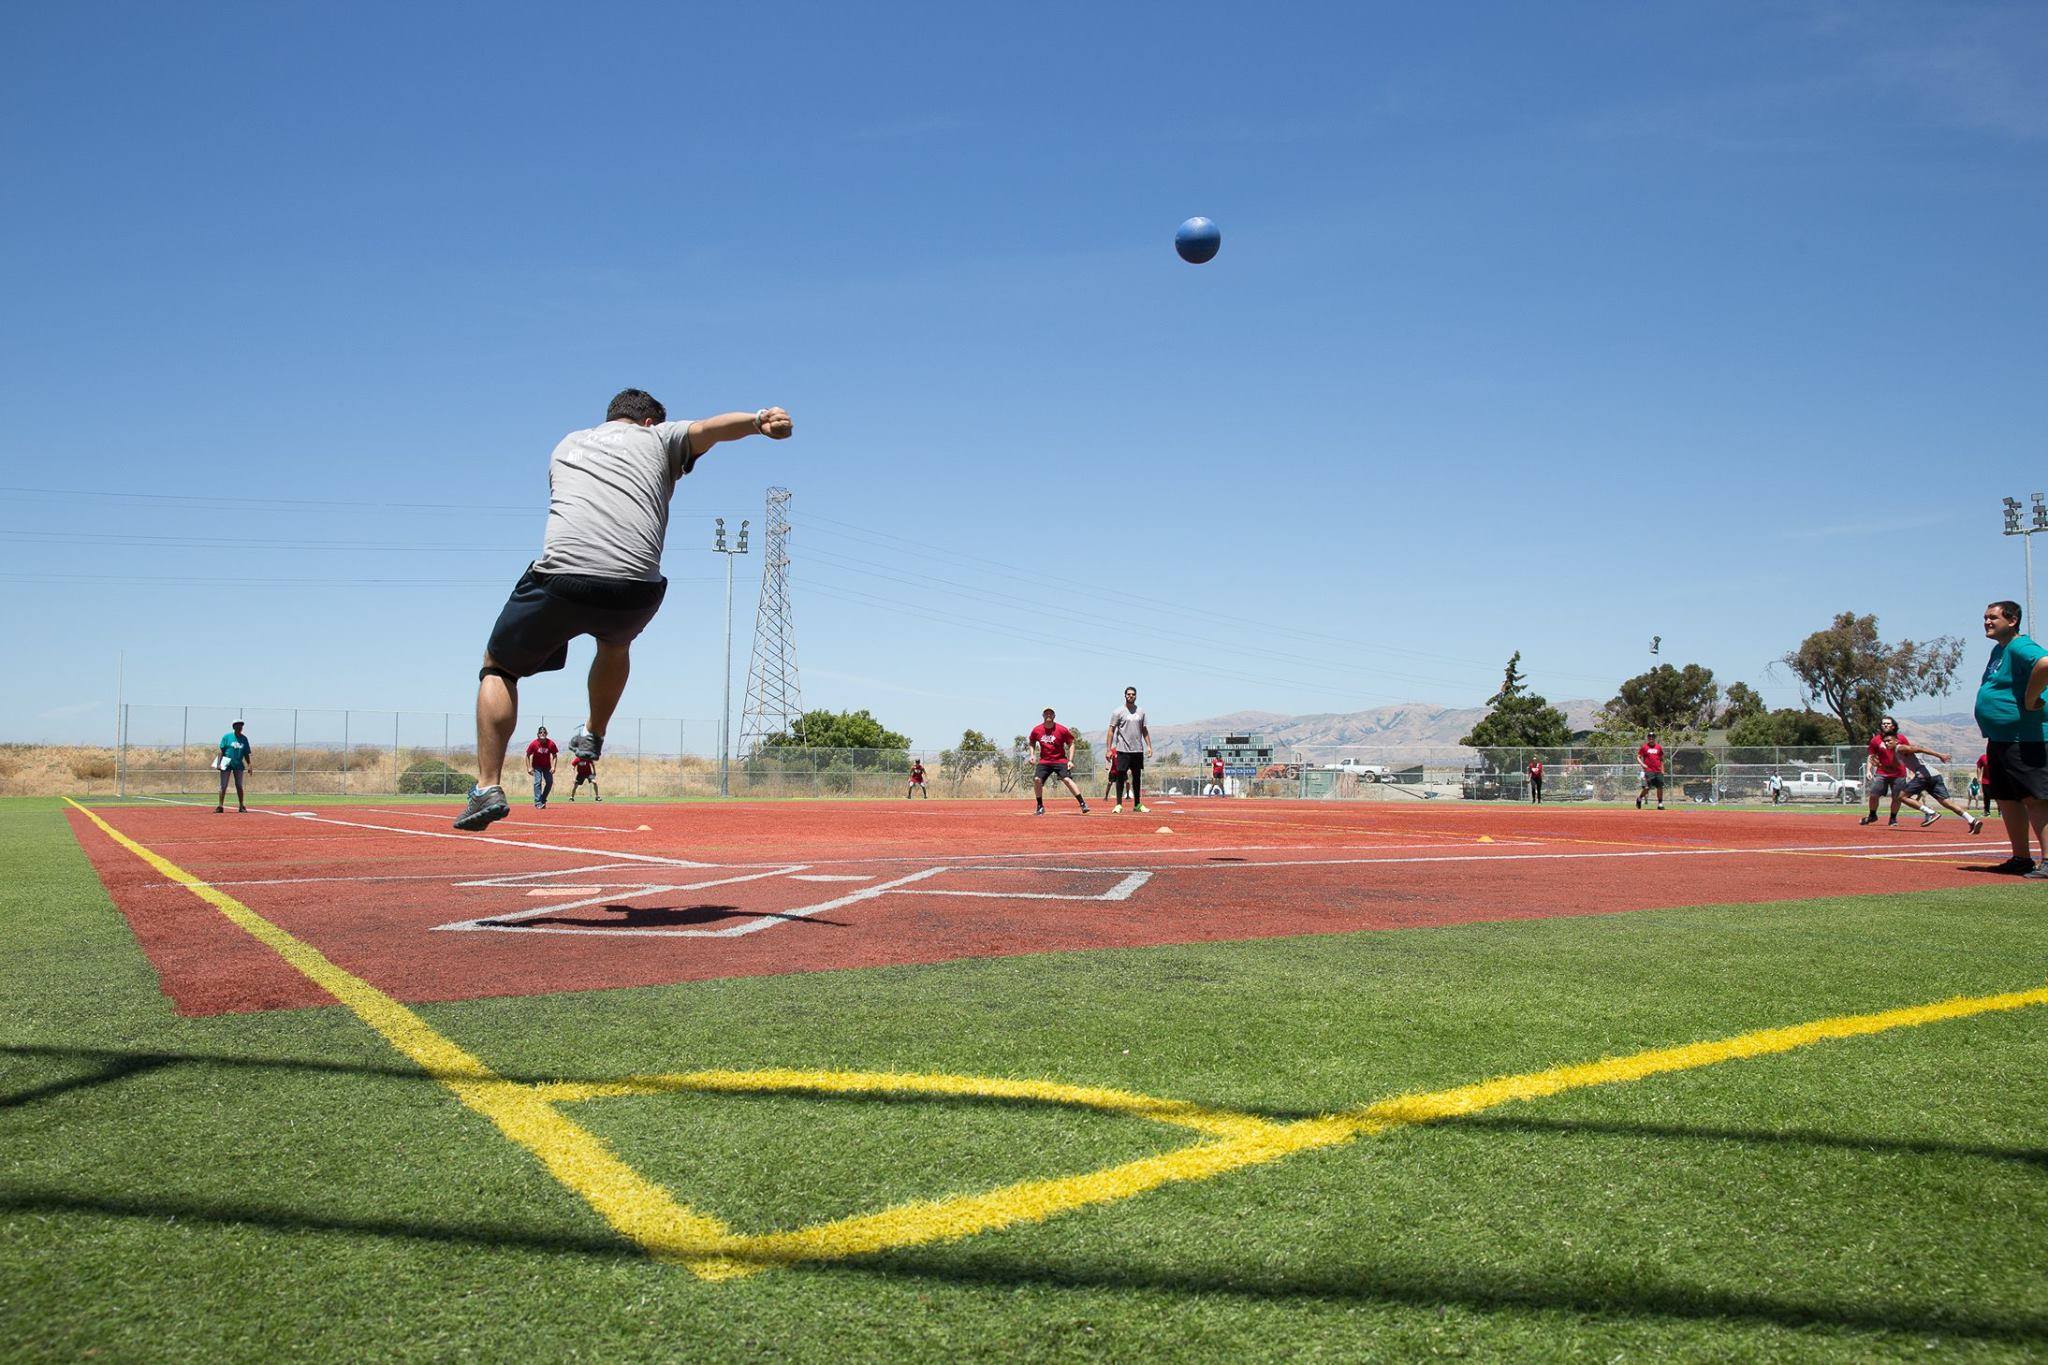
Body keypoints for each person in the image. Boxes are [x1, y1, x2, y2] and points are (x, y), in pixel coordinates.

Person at [454, 389, 793, 830]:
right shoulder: (659, 439)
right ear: (651, 422)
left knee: (499, 668)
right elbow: (711, 428)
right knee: (615, 643)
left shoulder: (567, 443)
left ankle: (486, 787)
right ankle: (593, 732)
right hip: (635, 591)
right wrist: (758, 420)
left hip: (560, 580)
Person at [1974, 600, 2048, 877]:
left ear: (2013, 620)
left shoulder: (2019, 646)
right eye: (1985, 617)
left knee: (2035, 799)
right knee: (2006, 798)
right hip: (2001, 738)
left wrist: (2031, 699)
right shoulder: (1999, 650)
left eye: (1993, 617)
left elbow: (2045, 662)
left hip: (2025, 738)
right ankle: (2021, 858)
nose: (1987, 621)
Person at [1893, 741, 1981, 833]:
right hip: (1934, 774)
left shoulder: (1900, 748)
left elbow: (1920, 748)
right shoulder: (1896, 753)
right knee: (1947, 803)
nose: (1887, 743)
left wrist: (1939, 755)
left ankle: (1930, 813)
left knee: (1902, 797)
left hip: (1923, 775)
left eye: (1889, 741)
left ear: (1896, 741)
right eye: (1885, 742)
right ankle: (1972, 820)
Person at [1028, 708, 1089, 815]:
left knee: (1067, 779)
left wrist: (1070, 760)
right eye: (1046, 713)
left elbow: (1071, 743)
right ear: (1042, 716)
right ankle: (1040, 806)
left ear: (1054, 716)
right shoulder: (1037, 730)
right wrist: (1032, 755)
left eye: (1051, 713)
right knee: (1037, 780)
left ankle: (1083, 803)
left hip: (1060, 760)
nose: (1048, 715)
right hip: (1044, 761)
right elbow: (1031, 741)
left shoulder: (1061, 729)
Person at [1105, 686, 1152, 814]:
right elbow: (1111, 731)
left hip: (1137, 750)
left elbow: (1144, 730)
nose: (1130, 696)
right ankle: (1119, 804)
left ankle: (1137, 804)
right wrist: (1108, 749)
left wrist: (1149, 746)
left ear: (1136, 696)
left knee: (1137, 777)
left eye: (1133, 694)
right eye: (1128, 694)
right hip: (1122, 750)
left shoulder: (1141, 712)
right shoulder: (1118, 712)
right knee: (1120, 777)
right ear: (1125, 696)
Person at [1859, 717, 1911, 826]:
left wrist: (1911, 772)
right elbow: (1871, 756)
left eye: (1888, 723)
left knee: (1897, 797)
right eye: (1883, 724)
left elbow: (1908, 755)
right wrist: (1868, 770)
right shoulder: (1875, 740)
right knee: (1873, 794)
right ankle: (1872, 815)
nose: (1885, 725)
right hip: (1882, 772)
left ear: (1893, 726)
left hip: (1899, 774)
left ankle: (1893, 818)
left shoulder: (1901, 738)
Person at [215, 719, 252, 813]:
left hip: (238, 763)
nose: (240, 727)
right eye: (238, 725)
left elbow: (246, 753)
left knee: (239, 785)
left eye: (241, 726)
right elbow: (221, 751)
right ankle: (220, 806)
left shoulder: (244, 738)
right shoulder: (227, 737)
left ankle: (241, 806)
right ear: (234, 727)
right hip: (226, 762)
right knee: (223, 786)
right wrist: (218, 763)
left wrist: (249, 765)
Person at [526, 726, 559, 809]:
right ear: (537, 734)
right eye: (540, 732)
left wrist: (553, 767)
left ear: (546, 734)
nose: (542, 734)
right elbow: (527, 755)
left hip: (547, 766)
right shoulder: (534, 744)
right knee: (538, 781)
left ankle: (543, 800)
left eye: (544, 732)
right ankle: (538, 802)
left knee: (549, 782)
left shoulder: (551, 743)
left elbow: (554, 755)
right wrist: (529, 767)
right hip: (537, 766)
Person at [1634, 732, 1666, 810]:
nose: (1651, 738)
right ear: (1648, 738)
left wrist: (1662, 769)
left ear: (1655, 738)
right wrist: (1642, 764)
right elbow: (1638, 757)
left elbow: (1661, 759)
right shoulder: (1644, 747)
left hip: (1658, 770)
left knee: (1660, 787)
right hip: (1649, 770)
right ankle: (1639, 798)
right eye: (1650, 737)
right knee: (1647, 787)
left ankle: (1660, 803)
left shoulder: (1658, 747)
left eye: (1652, 737)